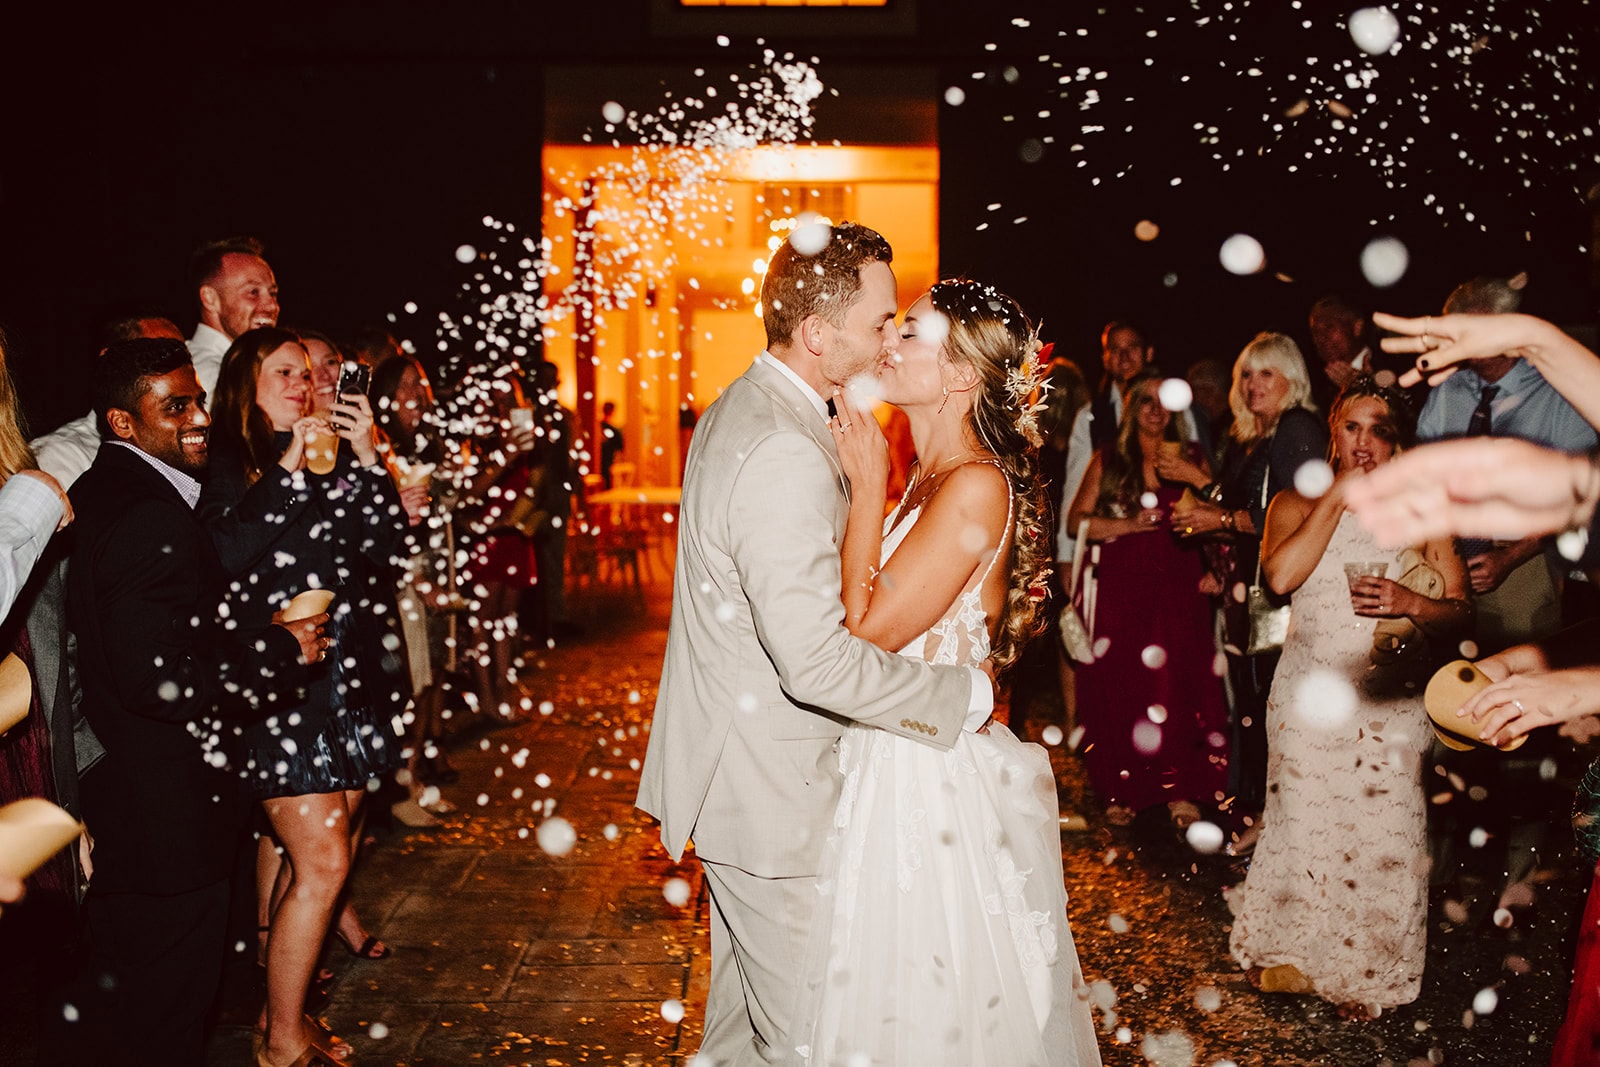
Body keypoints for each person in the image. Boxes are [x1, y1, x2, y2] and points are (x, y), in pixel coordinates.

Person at [636, 221, 994, 1066]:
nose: (888, 338)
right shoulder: (779, 447)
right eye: (878, 322)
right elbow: (816, 659)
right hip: (771, 797)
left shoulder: (757, 408)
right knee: (819, 1040)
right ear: (818, 332)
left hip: (750, 783)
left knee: (741, 1043)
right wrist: (958, 697)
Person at [791, 279, 1101, 1065]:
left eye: (911, 334)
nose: (887, 346)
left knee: (927, 1004)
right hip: (887, 759)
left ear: (961, 374)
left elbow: (864, 628)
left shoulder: (974, 484)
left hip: (925, 786)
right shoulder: (932, 478)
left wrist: (867, 488)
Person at [64, 337, 322, 1065]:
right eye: (174, 405)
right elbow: (159, 680)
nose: (198, 416)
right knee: (169, 1018)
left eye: (197, 398)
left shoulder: (108, 491)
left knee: (136, 1011)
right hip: (165, 819)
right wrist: (280, 651)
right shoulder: (148, 516)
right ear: (122, 421)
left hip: (126, 805)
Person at [1227, 377, 1471, 1021]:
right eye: (1351, 427)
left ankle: (1368, 969)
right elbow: (1280, 578)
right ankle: (1300, 953)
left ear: (1397, 441)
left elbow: (1459, 614)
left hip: (1388, 695)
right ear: (1332, 431)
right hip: (1307, 692)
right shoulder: (1290, 503)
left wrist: (1410, 603)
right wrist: (1337, 495)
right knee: (1305, 820)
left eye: (1379, 429)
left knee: (1381, 830)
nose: (1363, 442)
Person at [200, 327, 407, 1067]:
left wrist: (365, 456)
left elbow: (385, 550)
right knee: (319, 861)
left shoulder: (324, 456)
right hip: (273, 688)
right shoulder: (225, 461)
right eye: (282, 371)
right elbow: (219, 556)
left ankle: (281, 1012)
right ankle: (283, 1039)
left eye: (307, 370)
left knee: (325, 850)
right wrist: (288, 468)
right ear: (243, 387)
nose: (303, 380)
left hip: (336, 681)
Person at [1175, 332, 1328, 833]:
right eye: (1246, 373)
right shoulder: (1252, 436)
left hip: (1281, 596)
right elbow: (1244, 506)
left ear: (1293, 380)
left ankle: (1274, 824)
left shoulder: (1297, 428)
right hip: (1251, 591)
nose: (1252, 383)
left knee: (1274, 707)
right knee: (1252, 705)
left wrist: (1214, 517)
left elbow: (1302, 516)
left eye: (1267, 372)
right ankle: (1259, 818)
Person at [1066, 374, 1230, 827]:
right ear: (1132, 408)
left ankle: (1180, 788)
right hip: (1124, 583)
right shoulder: (1110, 459)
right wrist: (1128, 525)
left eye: (1164, 403)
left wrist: (1217, 570)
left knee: (1179, 682)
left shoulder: (1192, 458)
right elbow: (1075, 522)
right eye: (1145, 402)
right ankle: (1124, 786)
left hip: (1179, 580)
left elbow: (1223, 518)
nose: (1155, 411)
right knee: (1123, 683)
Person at [29, 315, 187, 488]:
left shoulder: (186, 447)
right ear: (110, 359)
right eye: (157, 358)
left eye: (182, 356)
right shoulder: (59, 455)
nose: (178, 370)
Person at [1054, 320, 1155, 563]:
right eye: (1115, 349)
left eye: (1132, 347)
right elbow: (1075, 486)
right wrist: (1067, 556)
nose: (1124, 356)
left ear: (1149, 353)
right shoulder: (1091, 416)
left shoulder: (1173, 409)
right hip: (1110, 547)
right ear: (1105, 359)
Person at [598, 400, 623, 489]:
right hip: (608, 463)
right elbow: (620, 448)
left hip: (598, 463)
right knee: (607, 487)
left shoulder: (597, 427)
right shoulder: (615, 431)